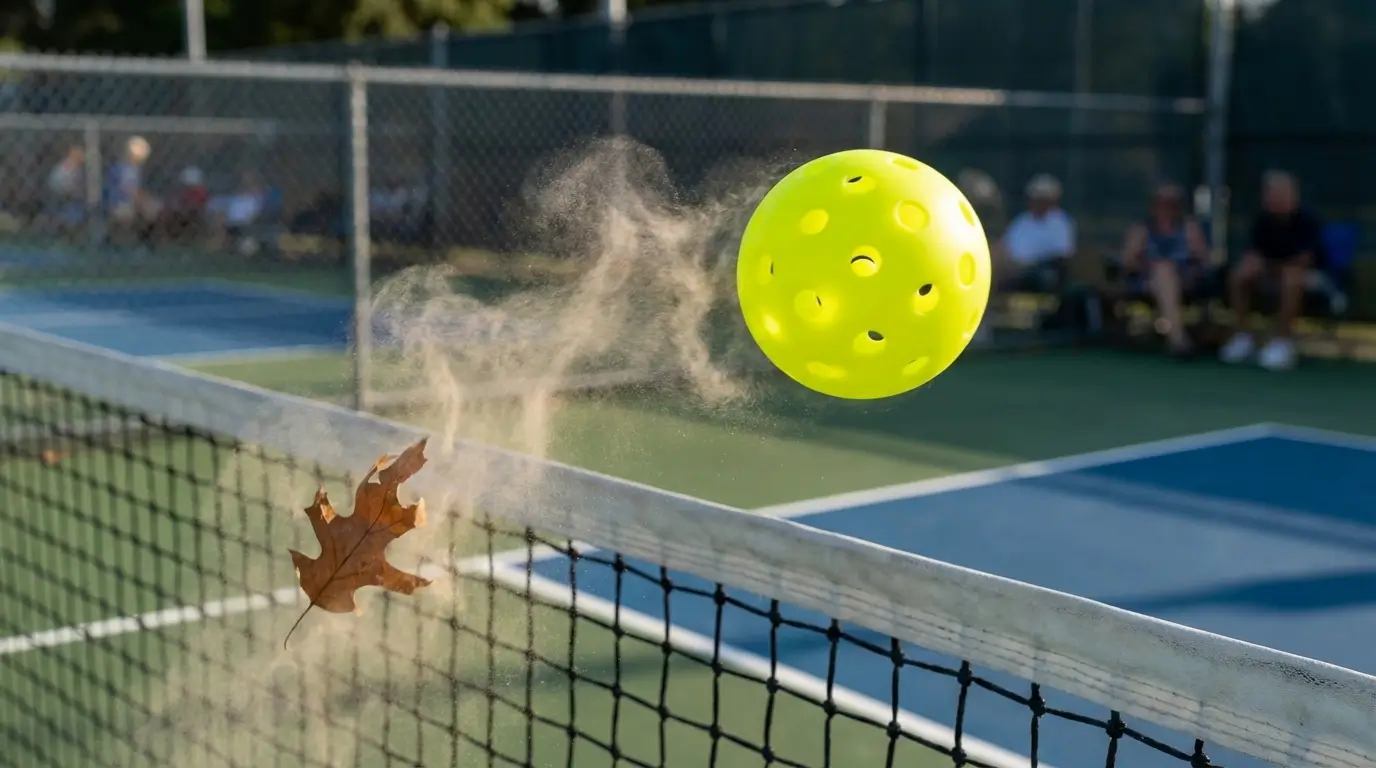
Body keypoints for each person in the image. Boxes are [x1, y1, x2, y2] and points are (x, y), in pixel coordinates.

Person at [1218, 171, 1323, 371]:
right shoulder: (1263, 221)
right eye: (1270, 194)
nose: (1273, 198)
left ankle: (1282, 343)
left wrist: (1269, 266)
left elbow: (1304, 261)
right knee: (1240, 274)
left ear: (1292, 195)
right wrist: (1257, 266)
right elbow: (1254, 254)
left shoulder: (1308, 220)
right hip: (1271, 272)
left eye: (1279, 194)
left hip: (1314, 278)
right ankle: (1243, 337)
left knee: (1291, 277)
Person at [1120, 182, 1210, 355]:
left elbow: (1204, 258)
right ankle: (1178, 339)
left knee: (1166, 273)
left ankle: (1174, 336)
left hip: (1185, 279)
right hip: (1146, 279)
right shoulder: (1142, 229)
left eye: (1170, 203)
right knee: (1162, 271)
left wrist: (1192, 257)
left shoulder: (1189, 227)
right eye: (1161, 202)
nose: (1165, 207)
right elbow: (1128, 260)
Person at [995, 174, 1076, 293]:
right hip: (1015, 270)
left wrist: (1029, 266)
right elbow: (1005, 245)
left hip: (1043, 271)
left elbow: (1062, 255)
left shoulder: (1061, 222)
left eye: (1041, 198)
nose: (1036, 202)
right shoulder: (1022, 221)